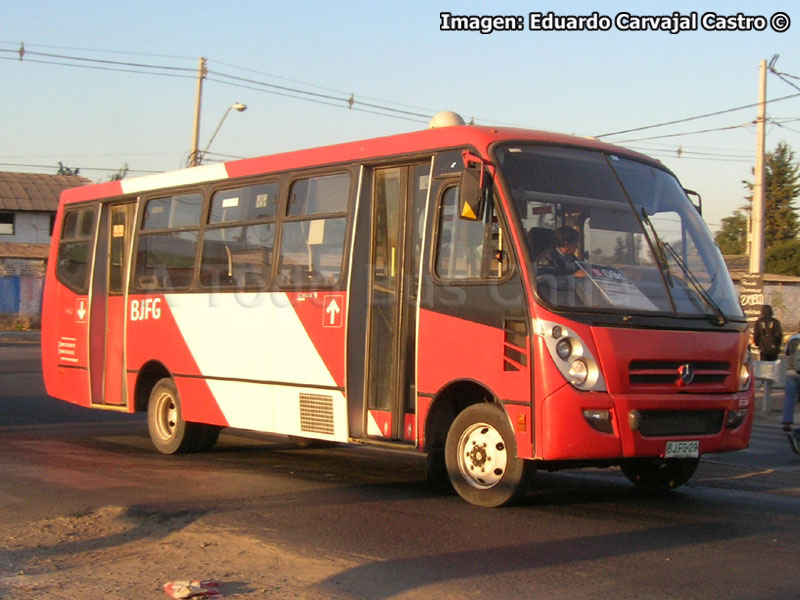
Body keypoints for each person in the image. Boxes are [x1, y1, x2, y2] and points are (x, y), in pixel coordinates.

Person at [753, 304, 783, 405]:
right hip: (773, 348)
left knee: (764, 366)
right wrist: (777, 346)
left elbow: (756, 335)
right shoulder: (775, 322)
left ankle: (764, 385)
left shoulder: (758, 322)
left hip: (763, 348)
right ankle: (772, 384)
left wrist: (759, 344)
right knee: (773, 366)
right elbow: (779, 335)